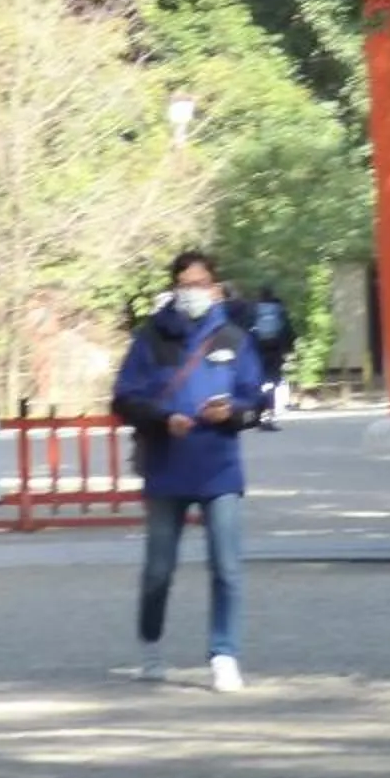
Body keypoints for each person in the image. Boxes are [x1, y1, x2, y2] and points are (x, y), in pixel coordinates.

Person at [110, 249, 268, 690]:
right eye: (186, 285)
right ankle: (151, 641)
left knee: (227, 565)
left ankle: (224, 653)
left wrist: (232, 412)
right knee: (159, 567)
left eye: (201, 285)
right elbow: (124, 397)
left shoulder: (235, 339)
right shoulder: (152, 338)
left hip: (219, 464)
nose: (193, 292)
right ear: (174, 289)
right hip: (167, 464)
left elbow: (256, 399)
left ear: (215, 289)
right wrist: (163, 419)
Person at [246, 283, 295, 426]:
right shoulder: (279, 308)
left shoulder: (254, 308)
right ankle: (269, 414)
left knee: (258, 382)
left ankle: (258, 413)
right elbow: (287, 329)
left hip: (258, 350)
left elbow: (247, 328)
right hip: (275, 350)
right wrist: (288, 348)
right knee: (271, 383)